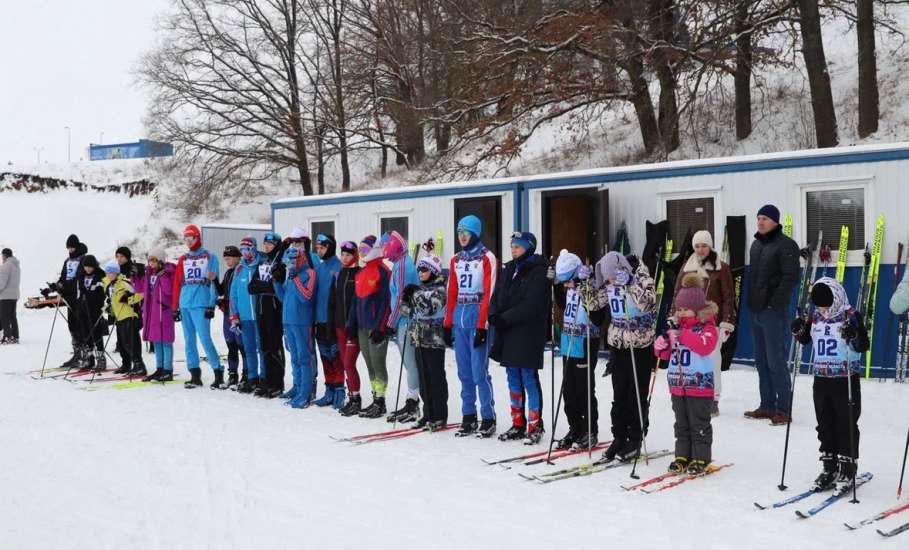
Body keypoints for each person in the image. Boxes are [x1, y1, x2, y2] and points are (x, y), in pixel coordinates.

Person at [791, 278, 869, 489]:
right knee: (824, 422)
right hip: (822, 378)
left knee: (846, 422)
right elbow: (806, 339)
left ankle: (847, 467)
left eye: (826, 304)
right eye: (819, 305)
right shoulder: (815, 316)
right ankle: (829, 466)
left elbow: (863, 345)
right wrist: (798, 329)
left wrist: (853, 335)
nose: (823, 309)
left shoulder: (850, 315)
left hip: (845, 378)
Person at [655, 273, 720, 475]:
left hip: (699, 386)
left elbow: (704, 346)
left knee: (698, 423)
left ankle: (700, 458)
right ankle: (682, 455)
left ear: (697, 309)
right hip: (678, 385)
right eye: (679, 309)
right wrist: (661, 345)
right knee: (681, 423)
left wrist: (682, 335)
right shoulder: (675, 328)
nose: (681, 313)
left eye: (686, 309)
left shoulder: (707, 327)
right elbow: (665, 355)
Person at [489, 232, 549, 445]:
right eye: (512, 245)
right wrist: (493, 313)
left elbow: (531, 304)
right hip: (509, 332)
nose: (513, 249)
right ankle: (517, 422)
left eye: (518, 246)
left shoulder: (538, 271)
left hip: (527, 332)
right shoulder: (510, 269)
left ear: (529, 247)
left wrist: (505, 318)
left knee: (528, 377)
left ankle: (535, 423)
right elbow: (498, 294)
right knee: (512, 376)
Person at [596, 251, 657, 462]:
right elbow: (593, 303)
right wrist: (582, 283)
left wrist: (631, 284)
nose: (611, 281)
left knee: (635, 394)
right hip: (618, 344)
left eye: (613, 276)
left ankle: (635, 437)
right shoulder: (610, 282)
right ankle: (619, 437)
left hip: (639, 344)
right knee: (619, 394)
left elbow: (648, 303)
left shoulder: (643, 279)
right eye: (608, 278)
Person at [745, 204, 801, 425]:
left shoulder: (787, 245)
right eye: (758, 218)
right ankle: (767, 405)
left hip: (773, 313)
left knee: (775, 360)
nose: (760, 222)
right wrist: (753, 303)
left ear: (776, 222)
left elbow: (791, 278)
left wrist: (774, 304)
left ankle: (783, 409)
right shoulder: (756, 245)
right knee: (761, 360)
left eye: (765, 218)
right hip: (756, 311)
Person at [444, 215, 498, 438]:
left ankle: (488, 417)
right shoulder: (456, 259)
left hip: (477, 320)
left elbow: (489, 292)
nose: (462, 236)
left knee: (479, 372)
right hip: (460, 321)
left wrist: (483, 326)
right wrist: (447, 324)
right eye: (459, 232)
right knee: (464, 373)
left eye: (466, 232)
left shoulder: (487, 258)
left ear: (476, 233)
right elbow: (451, 292)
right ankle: (468, 415)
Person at [670, 230, 736, 416]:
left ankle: (713, 398)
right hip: (689, 323)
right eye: (697, 246)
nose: (700, 249)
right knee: (693, 361)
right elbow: (677, 294)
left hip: (711, 322)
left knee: (712, 361)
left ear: (710, 246)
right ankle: (693, 394)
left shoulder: (721, 267)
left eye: (704, 245)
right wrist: (674, 316)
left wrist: (726, 322)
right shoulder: (686, 267)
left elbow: (728, 297)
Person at [553, 250, 605, 450]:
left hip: (585, 341)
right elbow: (561, 303)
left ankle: (590, 430)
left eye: (568, 282)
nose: (566, 285)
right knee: (568, 390)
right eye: (563, 282)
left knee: (584, 389)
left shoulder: (590, 285)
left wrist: (585, 288)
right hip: (568, 340)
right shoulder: (567, 285)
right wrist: (555, 285)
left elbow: (599, 318)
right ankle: (575, 428)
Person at [400, 254, 449, 431]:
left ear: (434, 271)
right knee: (423, 377)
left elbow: (429, 308)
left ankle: (439, 415)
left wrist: (414, 295)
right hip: (418, 338)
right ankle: (427, 413)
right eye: (419, 269)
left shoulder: (441, 289)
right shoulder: (420, 289)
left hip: (434, 340)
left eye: (425, 270)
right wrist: (406, 298)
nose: (420, 273)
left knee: (436, 378)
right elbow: (405, 311)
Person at [172, 224, 223, 389]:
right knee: (189, 340)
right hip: (185, 302)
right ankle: (195, 374)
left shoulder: (210, 256)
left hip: (201, 303)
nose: (188, 241)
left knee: (205, 338)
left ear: (197, 237)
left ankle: (218, 372)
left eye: (191, 238)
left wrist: (211, 304)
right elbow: (177, 283)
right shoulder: (183, 259)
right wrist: (175, 306)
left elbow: (213, 282)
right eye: (185, 238)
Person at [347, 235, 391, 418]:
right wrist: (351, 324)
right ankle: (375, 397)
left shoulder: (383, 272)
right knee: (370, 364)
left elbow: (386, 302)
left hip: (376, 328)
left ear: (375, 250)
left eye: (365, 249)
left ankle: (380, 401)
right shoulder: (360, 273)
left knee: (378, 363)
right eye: (360, 249)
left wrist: (381, 327)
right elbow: (355, 302)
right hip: (362, 327)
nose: (362, 253)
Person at [272, 246, 317, 409]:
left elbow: (307, 297)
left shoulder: (310, 273)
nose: (291, 263)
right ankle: (298, 388)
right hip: (288, 320)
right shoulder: (291, 276)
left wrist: (296, 278)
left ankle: (306, 392)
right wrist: (277, 282)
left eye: (293, 260)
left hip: (302, 321)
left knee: (304, 358)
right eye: (289, 260)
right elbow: (283, 298)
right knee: (295, 357)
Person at [384, 230, 421, 423]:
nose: (384, 249)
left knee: (410, 362)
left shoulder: (402, 266)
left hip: (406, 321)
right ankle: (412, 399)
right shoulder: (401, 263)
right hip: (404, 320)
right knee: (409, 363)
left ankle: (413, 402)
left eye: (386, 245)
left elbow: (400, 297)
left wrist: (391, 322)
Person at [249, 231, 287, 398]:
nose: (267, 247)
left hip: (274, 309)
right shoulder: (263, 262)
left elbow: (277, 286)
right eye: (265, 244)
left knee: (274, 346)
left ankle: (278, 383)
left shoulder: (280, 262)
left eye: (270, 244)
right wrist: (265, 285)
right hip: (261, 308)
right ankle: (268, 381)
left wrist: (263, 285)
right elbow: (251, 287)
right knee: (264, 347)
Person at [312, 233, 346, 408]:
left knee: (336, 355)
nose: (319, 251)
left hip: (333, 320)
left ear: (330, 247)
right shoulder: (318, 268)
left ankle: (340, 389)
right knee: (325, 355)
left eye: (322, 247)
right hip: (319, 320)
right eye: (317, 248)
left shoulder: (338, 267)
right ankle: (329, 389)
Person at [329, 241, 363, 416]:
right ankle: (352, 397)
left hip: (353, 328)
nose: (344, 258)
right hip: (339, 326)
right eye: (342, 254)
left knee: (349, 363)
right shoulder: (339, 274)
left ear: (355, 256)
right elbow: (332, 301)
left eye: (348, 255)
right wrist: (331, 324)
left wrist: (353, 325)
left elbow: (358, 304)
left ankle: (357, 399)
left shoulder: (358, 274)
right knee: (345, 363)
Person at [229, 236, 264, 393]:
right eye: (242, 250)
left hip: (259, 315)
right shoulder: (239, 269)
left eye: (247, 249)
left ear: (254, 248)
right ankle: (252, 377)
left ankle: (264, 378)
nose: (245, 253)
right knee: (249, 348)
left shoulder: (261, 264)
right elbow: (233, 295)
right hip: (245, 316)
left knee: (262, 348)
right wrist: (234, 316)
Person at [103, 260, 145, 377]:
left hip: (129, 315)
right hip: (119, 317)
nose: (109, 275)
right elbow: (113, 301)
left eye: (112, 273)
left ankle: (139, 365)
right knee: (122, 343)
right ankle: (126, 364)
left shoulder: (125, 282)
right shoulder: (110, 285)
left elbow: (140, 294)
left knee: (130, 342)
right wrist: (109, 309)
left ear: (116, 273)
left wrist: (128, 299)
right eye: (108, 273)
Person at [51, 234, 88, 368]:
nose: (70, 250)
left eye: (72, 247)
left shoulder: (83, 259)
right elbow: (63, 277)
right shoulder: (67, 260)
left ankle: (86, 355)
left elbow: (80, 278)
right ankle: (77, 354)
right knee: (72, 326)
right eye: (68, 248)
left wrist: (68, 287)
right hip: (69, 298)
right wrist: (56, 286)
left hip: (78, 297)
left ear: (77, 246)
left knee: (80, 326)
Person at [141, 247, 177, 382]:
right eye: (150, 260)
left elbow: (169, 291)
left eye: (154, 260)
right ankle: (159, 368)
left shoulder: (168, 273)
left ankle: (168, 370)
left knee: (166, 341)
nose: (151, 263)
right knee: (156, 341)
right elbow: (144, 290)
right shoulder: (149, 274)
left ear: (161, 261)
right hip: (152, 312)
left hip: (164, 311)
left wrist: (163, 277)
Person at [215, 246, 246, 389]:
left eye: (229, 258)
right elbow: (222, 290)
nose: (227, 261)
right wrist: (214, 280)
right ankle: (233, 375)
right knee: (231, 345)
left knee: (242, 346)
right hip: (228, 314)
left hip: (239, 314)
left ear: (237, 257)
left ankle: (247, 375)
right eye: (225, 259)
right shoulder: (228, 272)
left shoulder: (242, 270)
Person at [114, 246, 146, 370]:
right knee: (121, 338)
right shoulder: (116, 271)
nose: (119, 259)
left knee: (130, 337)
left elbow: (140, 287)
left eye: (122, 256)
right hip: (119, 309)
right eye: (117, 256)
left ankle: (138, 363)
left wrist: (130, 297)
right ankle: (126, 363)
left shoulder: (134, 269)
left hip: (133, 307)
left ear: (127, 257)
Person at [76, 255, 107, 372]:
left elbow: (101, 294)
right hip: (83, 309)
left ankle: (101, 359)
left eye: (90, 266)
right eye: (86, 266)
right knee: (86, 334)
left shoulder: (100, 275)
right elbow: (79, 292)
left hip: (94, 309)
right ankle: (89, 358)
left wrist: (88, 296)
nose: (88, 269)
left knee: (96, 334)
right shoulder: (81, 276)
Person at [0, 248, 21, 344]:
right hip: (14, 296)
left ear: (5, 255)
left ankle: (7, 336)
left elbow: (2, 283)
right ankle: (15, 336)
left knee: (4, 316)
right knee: (12, 316)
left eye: (2, 256)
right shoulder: (16, 266)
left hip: (5, 296)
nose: (1, 258)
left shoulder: (6, 266)